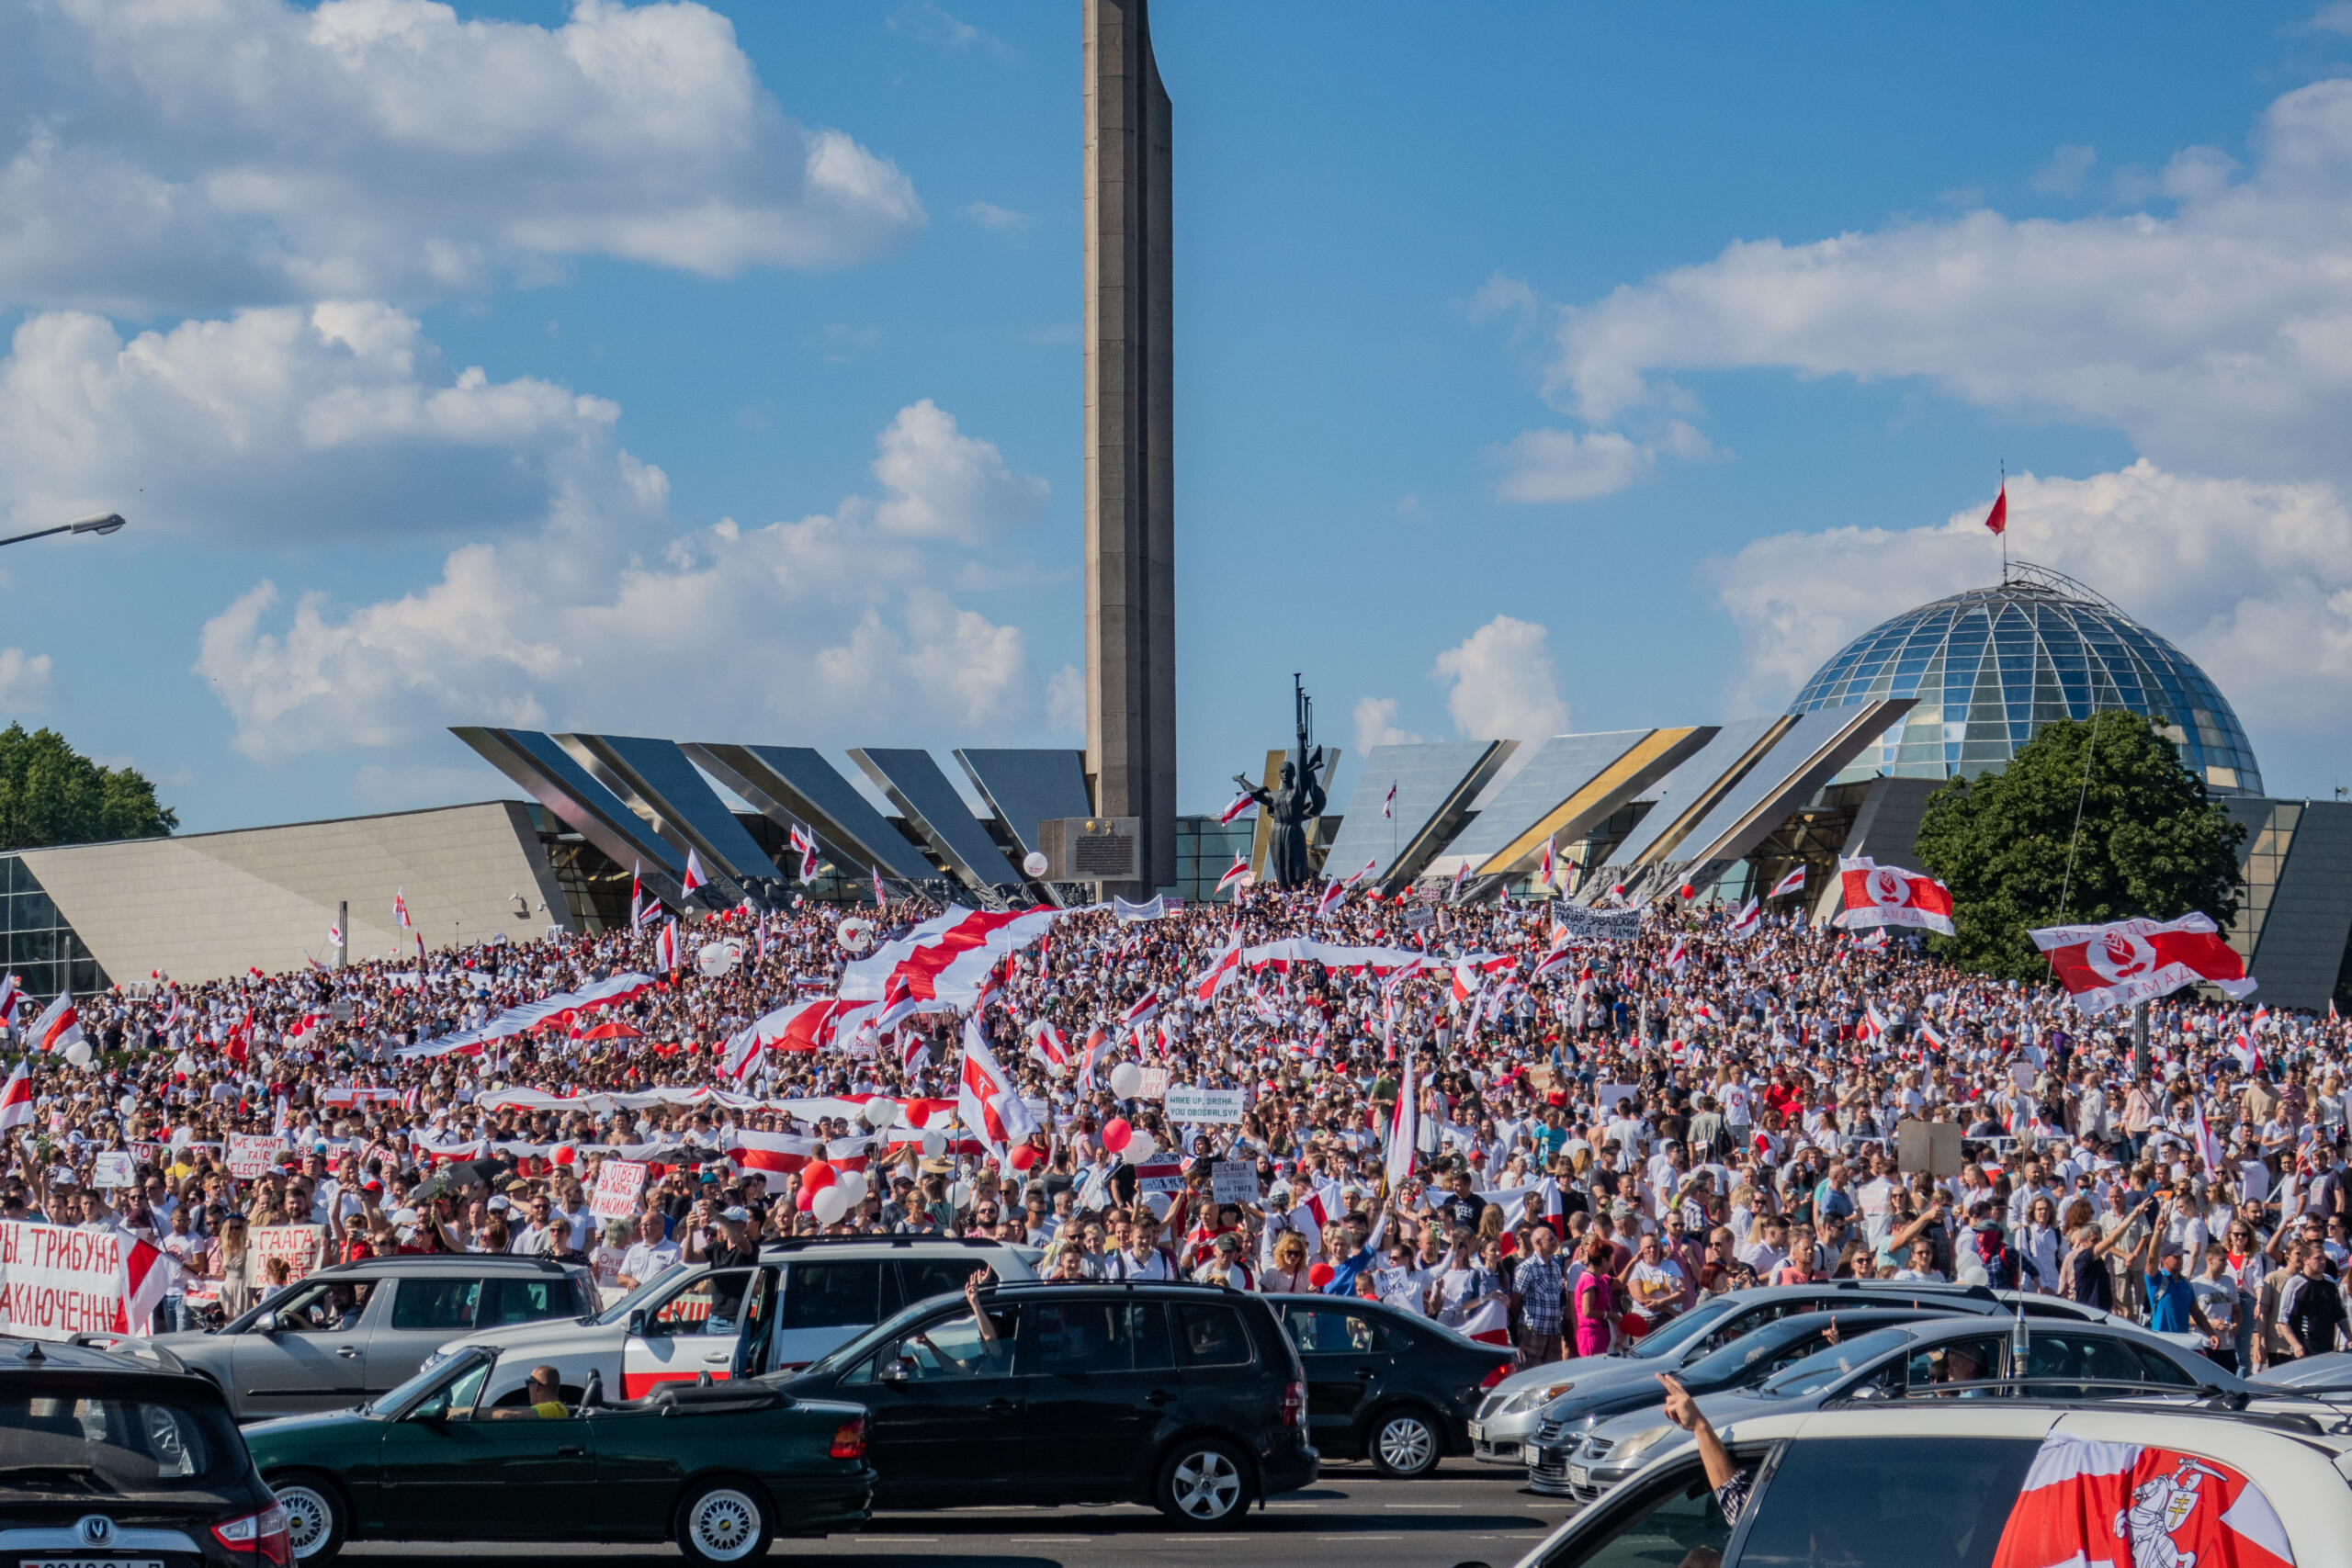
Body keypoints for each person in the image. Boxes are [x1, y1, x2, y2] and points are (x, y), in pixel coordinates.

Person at [490, 1365, 571, 1421]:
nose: (528, 1388)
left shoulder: (551, 1408)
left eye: (528, 1383)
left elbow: (511, 1416)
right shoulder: (557, 1408)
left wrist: (481, 1413)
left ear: (536, 1387)